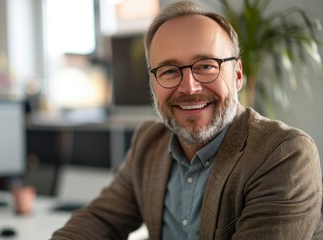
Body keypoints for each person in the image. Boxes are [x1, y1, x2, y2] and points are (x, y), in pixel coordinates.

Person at [51, 1, 323, 239]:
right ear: (153, 83)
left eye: (206, 66)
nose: (189, 88)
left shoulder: (284, 154)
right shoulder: (149, 142)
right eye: (169, 71)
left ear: (237, 75)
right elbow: (101, 221)